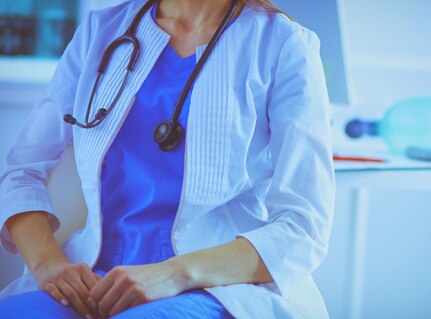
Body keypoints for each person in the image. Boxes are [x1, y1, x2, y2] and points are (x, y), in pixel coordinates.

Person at [0, 0, 335, 318]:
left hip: (215, 287)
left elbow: (304, 227)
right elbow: (20, 172)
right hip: (91, 281)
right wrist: (47, 264)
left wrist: (172, 274)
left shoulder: (284, 44)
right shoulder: (101, 31)